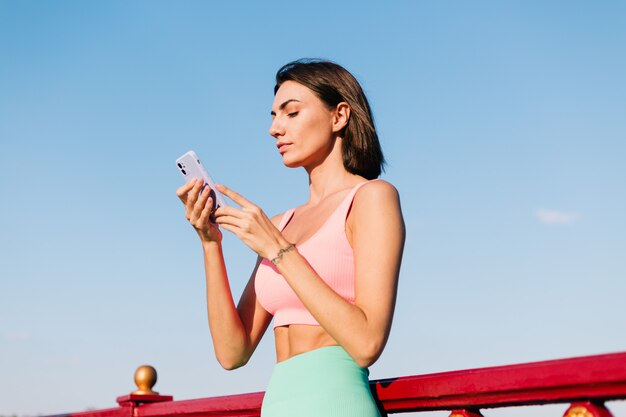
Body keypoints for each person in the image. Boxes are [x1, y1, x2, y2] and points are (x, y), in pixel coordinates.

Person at [176, 59, 405, 417]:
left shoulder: (372, 198)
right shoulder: (280, 224)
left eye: (291, 113)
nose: (274, 129)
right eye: (272, 116)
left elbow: (366, 343)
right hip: (279, 404)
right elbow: (231, 353)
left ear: (339, 116)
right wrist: (210, 243)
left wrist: (278, 250)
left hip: (338, 403)